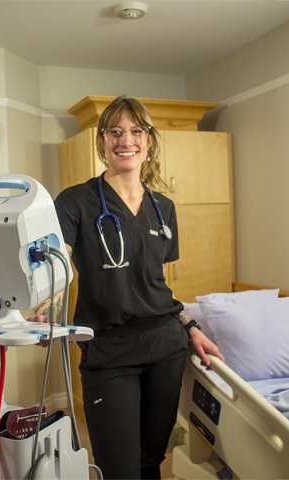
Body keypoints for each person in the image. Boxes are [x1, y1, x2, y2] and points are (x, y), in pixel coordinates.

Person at [27, 95, 223, 479]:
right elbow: (59, 261)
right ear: (101, 141)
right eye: (115, 132)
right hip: (109, 351)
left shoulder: (162, 207)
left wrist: (189, 326)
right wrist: (47, 304)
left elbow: (156, 284)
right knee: (119, 470)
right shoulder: (75, 202)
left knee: (152, 462)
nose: (125, 140)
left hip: (166, 344)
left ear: (148, 141)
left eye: (136, 131)